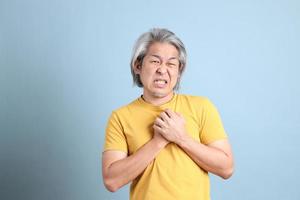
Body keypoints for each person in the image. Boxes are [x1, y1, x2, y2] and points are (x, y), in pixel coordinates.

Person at [102, 28, 234, 200]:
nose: (162, 70)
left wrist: (181, 138)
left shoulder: (202, 107)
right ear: (138, 65)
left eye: (171, 63)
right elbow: (112, 181)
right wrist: (159, 141)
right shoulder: (120, 117)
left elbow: (226, 168)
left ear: (179, 71)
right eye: (155, 61)